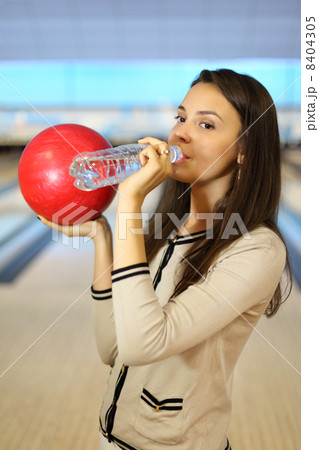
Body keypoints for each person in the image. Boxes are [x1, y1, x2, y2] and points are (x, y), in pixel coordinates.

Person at [39, 68, 292, 450]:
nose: (180, 133)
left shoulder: (257, 249)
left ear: (244, 149)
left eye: (206, 125)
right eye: (181, 117)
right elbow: (114, 349)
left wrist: (128, 202)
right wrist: (103, 235)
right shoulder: (168, 229)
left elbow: (145, 344)